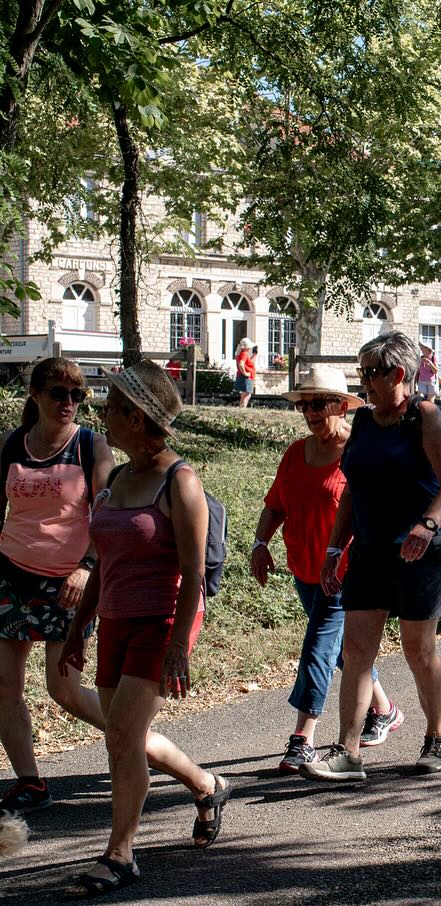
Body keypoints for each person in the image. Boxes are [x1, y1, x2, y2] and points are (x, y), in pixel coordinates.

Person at [58, 361, 226, 896]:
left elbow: (195, 571)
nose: (102, 414)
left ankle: (121, 854)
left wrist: (180, 644)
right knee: (120, 734)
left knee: (123, 736)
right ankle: (207, 785)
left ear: (134, 416)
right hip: (115, 620)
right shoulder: (119, 477)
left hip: (161, 620)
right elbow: (104, 560)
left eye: (110, 407)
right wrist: (79, 626)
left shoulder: (181, 480)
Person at [300, 332, 441, 782]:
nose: (364, 382)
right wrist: (336, 547)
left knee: (418, 650)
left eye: (370, 373)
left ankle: (437, 737)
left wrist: (428, 525)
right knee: (356, 652)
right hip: (370, 550)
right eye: (361, 372)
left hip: (419, 553)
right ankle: (348, 752)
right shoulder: (367, 425)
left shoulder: (424, 417)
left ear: (398, 373)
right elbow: (352, 489)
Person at [250, 367, 401, 773]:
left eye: (318, 404)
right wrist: (261, 543)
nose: (310, 413)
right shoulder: (296, 453)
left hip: (345, 572)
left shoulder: (358, 452)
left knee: (317, 647)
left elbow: (372, 513)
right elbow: (276, 504)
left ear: (340, 405)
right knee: (341, 650)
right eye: (304, 405)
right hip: (304, 569)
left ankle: (303, 738)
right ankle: (384, 709)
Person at [0, 359, 112, 818]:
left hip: (70, 583)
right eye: (58, 393)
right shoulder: (10, 444)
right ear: (35, 395)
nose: (68, 403)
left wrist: (87, 567)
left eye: (77, 395)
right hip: (11, 576)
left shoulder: (90, 445)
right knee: (4, 686)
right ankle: (31, 781)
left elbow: (107, 515)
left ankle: (134, 738)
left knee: (63, 690)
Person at [234, 338, 256, 408]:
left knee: (245, 394)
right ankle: (242, 408)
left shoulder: (241, 354)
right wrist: (245, 373)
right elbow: (241, 364)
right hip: (246, 377)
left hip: (244, 376)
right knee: (246, 394)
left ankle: (242, 408)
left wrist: (254, 355)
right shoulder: (244, 354)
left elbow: (248, 363)